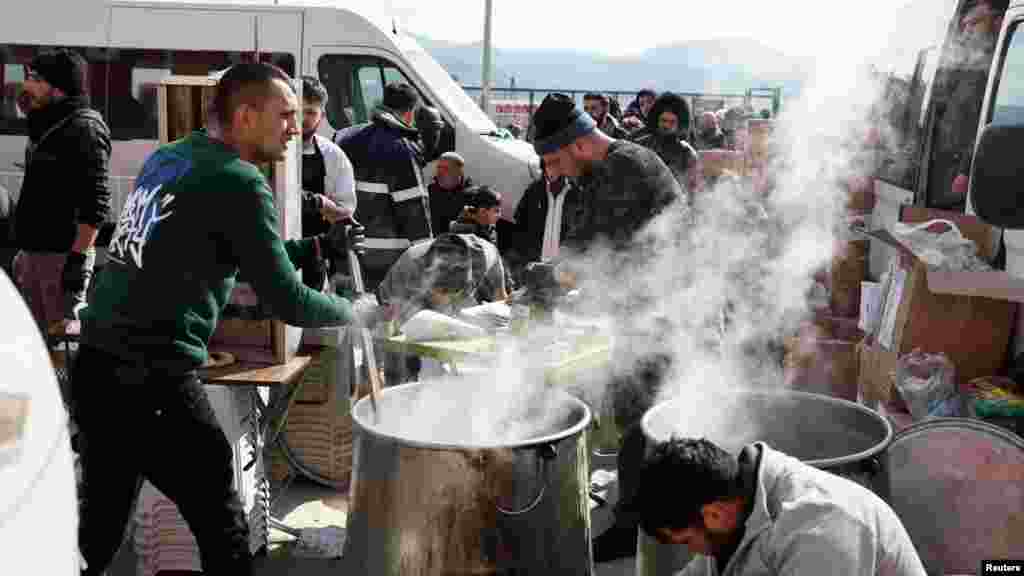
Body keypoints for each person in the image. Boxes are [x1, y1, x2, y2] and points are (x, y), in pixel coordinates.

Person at [72, 63, 373, 576]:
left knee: (99, 526)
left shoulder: (170, 157)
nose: (295, 128)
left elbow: (234, 254)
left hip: (96, 366)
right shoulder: (240, 181)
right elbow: (288, 301)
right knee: (224, 527)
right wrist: (357, 312)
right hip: (154, 378)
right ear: (246, 115)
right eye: (284, 115)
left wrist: (318, 245)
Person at [530, 93, 682, 563]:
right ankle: (646, 517)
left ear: (578, 144)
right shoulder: (601, 172)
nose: (552, 173)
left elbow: (591, 251)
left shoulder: (625, 167)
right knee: (632, 415)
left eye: (554, 160)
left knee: (646, 424)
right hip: (639, 310)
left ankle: (637, 531)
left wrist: (547, 282)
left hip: (670, 313)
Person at [621, 437, 927, 576]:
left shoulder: (820, 529)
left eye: (687, 541)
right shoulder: (733, 501)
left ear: (712, 514)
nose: (694, 551)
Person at [11, 48, 110, 332]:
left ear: (59, 87)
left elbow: (97, 206)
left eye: (36, 79)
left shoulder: (84, 128)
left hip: (60, 260)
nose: (27, 85)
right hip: (35, 256)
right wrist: (26, 254)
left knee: (62, 348)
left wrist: (75, 266)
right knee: (35, 345)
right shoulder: (44, 124)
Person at [337, 82, 433, 291]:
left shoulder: (348, 138)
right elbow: (414, 210)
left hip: (350, 253)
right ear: (410, 114)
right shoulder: (401, 148)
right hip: (389, 260)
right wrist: (427, 262)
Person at [946, 0, 1007, 207]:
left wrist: (964, 170)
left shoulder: (1000, 73)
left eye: (975, 23)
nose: (967, 30)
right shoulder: (966, 69)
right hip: (945, 165)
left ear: (998, 23)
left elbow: (990, 122)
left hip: (971, 175)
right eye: (965, 25)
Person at [299, 75, 356, 289]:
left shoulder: (333, 156)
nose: (302, 119)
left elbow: (345, 210)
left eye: (310, 113)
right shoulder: (266, 150)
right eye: (297, 111)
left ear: (321, 116)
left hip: (314, 257)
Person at [503, 165, 587, 285]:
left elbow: (580, 228)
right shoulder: (534, 191)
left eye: (555, 166)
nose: (551, 171)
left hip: (562, 265)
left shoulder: (576, 194)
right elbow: (519, 223)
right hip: (533, 261)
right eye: (547, 167)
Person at [633, 92, 699, 192]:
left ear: (680, 125)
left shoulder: (687, 153)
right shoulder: (640, 145)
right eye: (663, 120)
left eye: (672, 122)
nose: (667, 125)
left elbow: (692, 188)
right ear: (656, 120)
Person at [428, 151, 474, 238]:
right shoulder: (429, 193)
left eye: (445, 168)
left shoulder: (474, 197)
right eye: (439, 167)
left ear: (459, 171)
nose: (440, 172)